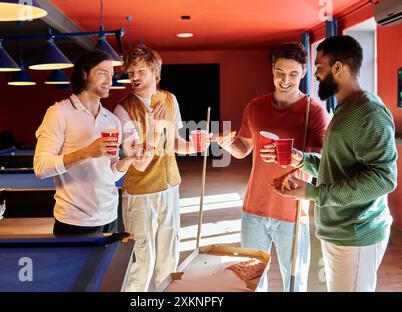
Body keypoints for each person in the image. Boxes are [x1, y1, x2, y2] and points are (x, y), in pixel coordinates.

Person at [274, 35, 397, 292]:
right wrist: (304, 160)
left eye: (319, 66)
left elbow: (384, 178)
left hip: (356, 232)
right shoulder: (344, 108)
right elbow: (340, 166)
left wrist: (313, 193)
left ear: (338, 67)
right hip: (338, 230)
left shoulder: (369, 113)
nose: (316, 74)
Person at [216, 42, 330, 291]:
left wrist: (293, 156)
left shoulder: (314, 113)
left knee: (294, 281)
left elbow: (320, 166)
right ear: (272, 70)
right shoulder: (255, 106)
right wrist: (226, 144)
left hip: (292, 210)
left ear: (303, 72)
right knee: (252, 280)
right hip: (253, 209)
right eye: (280, 72)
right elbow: (243, 149)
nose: (285, 79)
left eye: (292, 73)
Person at [113, 45, 209, 292]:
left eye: (140, 71)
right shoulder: (122, 110)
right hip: (140, 194)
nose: (133, 77)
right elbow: (141, 162)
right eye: (130, 71)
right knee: (141, 263)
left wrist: (196, 146)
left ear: (155, 72)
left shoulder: (169, 99)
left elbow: (175, 143)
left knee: (169, 259)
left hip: (169, 188)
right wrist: (155, 130)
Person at [34, 50, 141, 234]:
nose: (110, 80)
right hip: (74, 221)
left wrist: (128, 161)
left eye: (112, 74)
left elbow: (110, 174)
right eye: (103, 73)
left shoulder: (112, 120)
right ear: (83, 74)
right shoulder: (58, 113)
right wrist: (87, 152)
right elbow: (41, 167)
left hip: (111, 215)